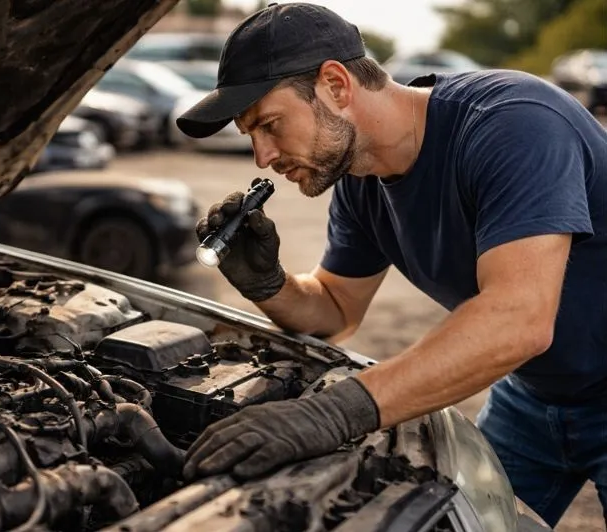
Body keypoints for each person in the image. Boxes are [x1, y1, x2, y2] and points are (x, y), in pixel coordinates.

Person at [174, 2, 607, 527]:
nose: (263, 157)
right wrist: (267, 283)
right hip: (532, 397)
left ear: (336, 84)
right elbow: (337, 310)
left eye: (269, 125)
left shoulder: (512, 125)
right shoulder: (360, 183)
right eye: (251, 136)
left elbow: (518, 319)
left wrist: (332, 413)